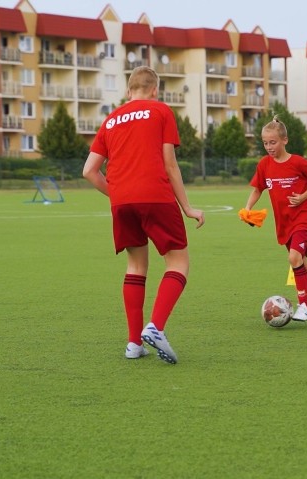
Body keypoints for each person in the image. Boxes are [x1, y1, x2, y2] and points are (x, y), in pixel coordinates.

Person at [82, 66, 205, 364]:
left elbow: (88, 171)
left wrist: (121, 194)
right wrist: (187, 207)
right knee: (178, 261)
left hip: (122, 202)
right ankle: (157, 327)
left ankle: (134, 343)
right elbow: (170, 164)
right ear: (154, 91)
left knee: (136, 266)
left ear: (128, 91)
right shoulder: (161, 111)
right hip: (156, 197)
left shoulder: (111, 120)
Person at [242, 116, 307, 323]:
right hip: (283, 223)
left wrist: (303, 196)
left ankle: (304, 306)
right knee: (302, 264)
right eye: (265, 143)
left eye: (272, 142)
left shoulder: (298, 162)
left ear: (285, 140)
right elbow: (258, 189)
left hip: (303, 216)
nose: (269, 147)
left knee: (294, 259)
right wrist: (247, 208)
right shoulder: (264, 164)